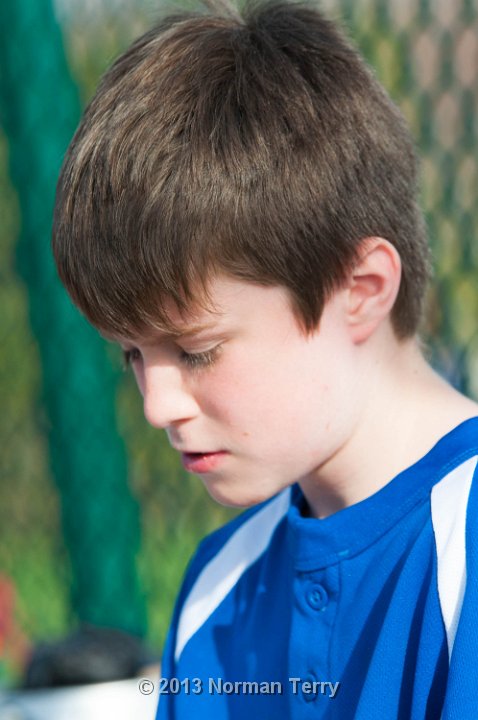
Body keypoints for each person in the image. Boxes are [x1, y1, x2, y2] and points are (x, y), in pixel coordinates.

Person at [52, 1, 478, 717]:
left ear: (360, 290)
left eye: (197, 350)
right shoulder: (218, 588)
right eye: (132, 354)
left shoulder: (463, 541)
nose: (157, 405)